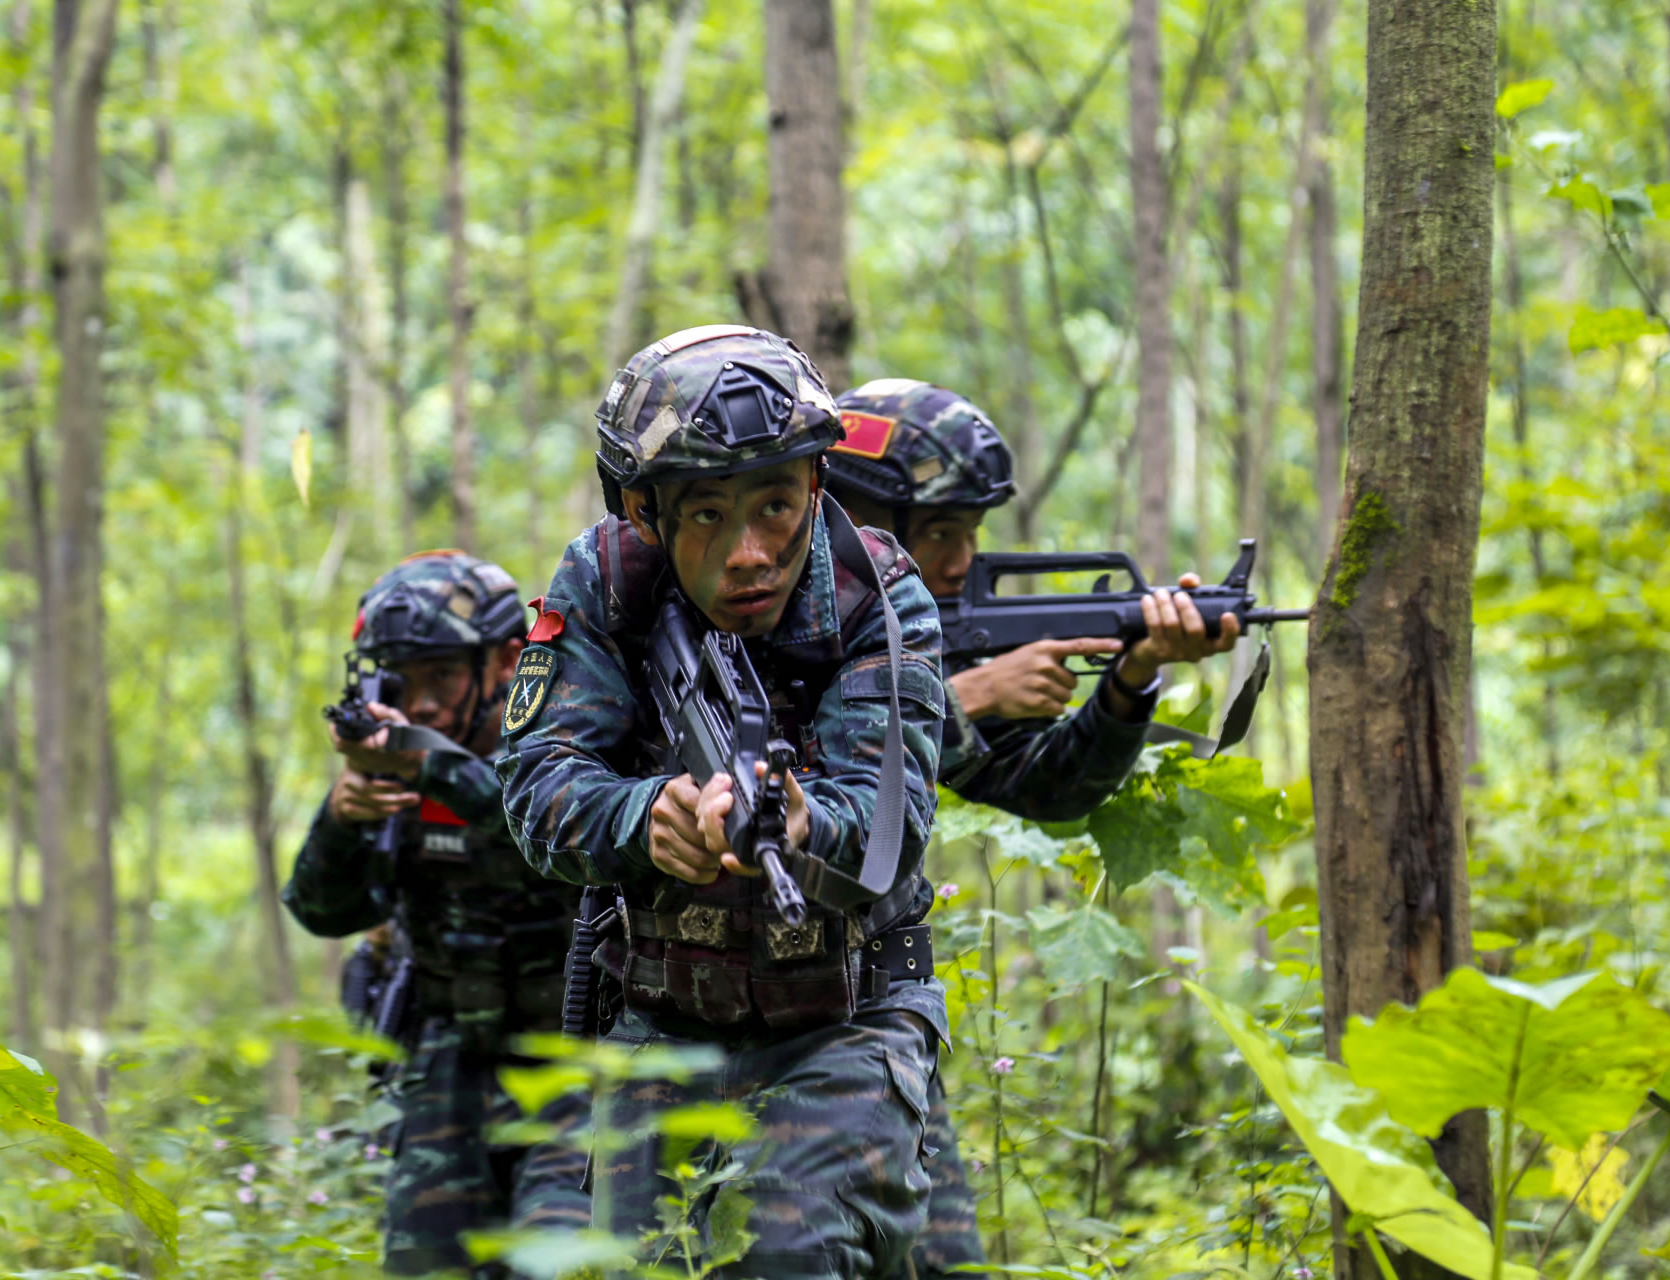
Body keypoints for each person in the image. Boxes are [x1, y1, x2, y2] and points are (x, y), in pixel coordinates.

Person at [497, 325, 950, 1279]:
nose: (750, 553)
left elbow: (885, 830)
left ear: (816, 488)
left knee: (785, 1253)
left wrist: (795, 821)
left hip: (849, 1016)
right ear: (644, 510)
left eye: (776, 506)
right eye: (706, 514)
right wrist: (646, 817)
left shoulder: (878, 593)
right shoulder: (606, 582)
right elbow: (537, 784)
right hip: (665, 1019)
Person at [826, 377, 1240, 1278]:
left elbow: (1045, 787)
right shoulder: (737, 629)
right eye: (939, 532)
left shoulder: (926, 631)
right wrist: (960, 698)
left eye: (972, 533)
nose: (960, 559)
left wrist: (1130, 684)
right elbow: (782, 781)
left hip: (879, 1020)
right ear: (858, 519)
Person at [283, 550, 579, 1277]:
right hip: (452, 1061)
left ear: (507, 662)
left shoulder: (563, 740)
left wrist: (428, 765)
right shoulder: (401, 771)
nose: (418, 705)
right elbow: (323, 911)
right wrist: (343, 814)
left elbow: (561, 843)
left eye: (441, 676)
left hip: (579, 1064)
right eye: (402, 680)